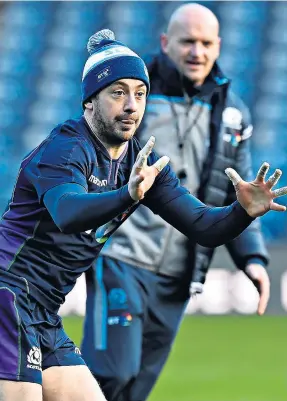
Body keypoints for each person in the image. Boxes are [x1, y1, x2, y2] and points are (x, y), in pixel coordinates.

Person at [0, 28, 285, 401]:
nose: (132, 105)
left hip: (44, 311)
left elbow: (204, 226)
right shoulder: (66, 149)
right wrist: (127, 194)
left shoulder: (142, 165)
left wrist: (242, 212)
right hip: (9, 294)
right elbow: (68, 212)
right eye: (118, 93)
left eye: (140, 93)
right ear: (90, 101)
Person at [81, 4, 275, 401]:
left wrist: (252, 259)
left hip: (180, 272)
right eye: (188, 41)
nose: (196, 52)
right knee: (111, 375)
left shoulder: (234, 113)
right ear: (166, 43)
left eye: (206, 43)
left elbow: (238, 194)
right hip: (121, 256)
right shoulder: (133, 95)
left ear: (218, 45)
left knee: (135, 390)